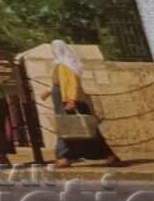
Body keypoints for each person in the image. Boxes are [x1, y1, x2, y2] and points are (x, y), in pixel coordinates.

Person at [41, 40, 126, 168]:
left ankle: (64, 157)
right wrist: (49, 91)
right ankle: (66, 157)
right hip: (62, 99)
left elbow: (72, 84)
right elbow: (59, 83)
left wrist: (71, 100)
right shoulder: (60, 65)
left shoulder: (66, 65)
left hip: (67, 100)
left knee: (76, 129)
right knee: (69, 129)